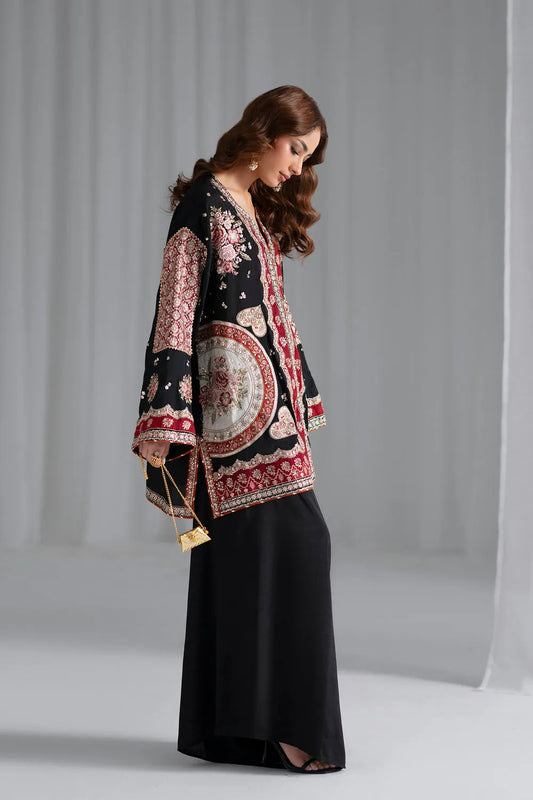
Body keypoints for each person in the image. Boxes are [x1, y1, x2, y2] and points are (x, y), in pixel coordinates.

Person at [132, 85, 346, 774]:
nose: (298, 168)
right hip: (231, 426)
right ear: (263, 132)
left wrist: (299, 392)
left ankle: (237, 731)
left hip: (271, 416)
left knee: (248, 564)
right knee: (286, 551)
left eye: (307, 158)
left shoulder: (252, 207)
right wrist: (164, 415)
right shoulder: (203, 206)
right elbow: (175, 311)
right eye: (295, 150)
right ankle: (288, 731)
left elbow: (271, 310)